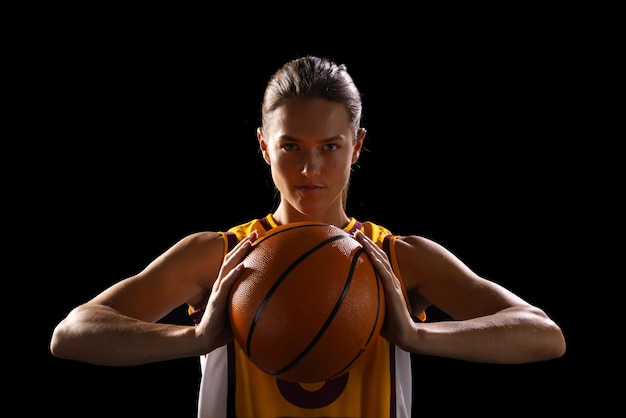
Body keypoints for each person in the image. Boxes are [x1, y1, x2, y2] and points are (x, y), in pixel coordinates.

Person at [50, 55, 566, 418]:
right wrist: (195, 338)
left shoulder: (398, 257)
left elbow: (543, 336)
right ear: (263, 146)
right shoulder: (221, 255)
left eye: (331, 146)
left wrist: (415, 334)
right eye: (291, 146)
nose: (310, 168)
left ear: (358, 145)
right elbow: (72, 335)